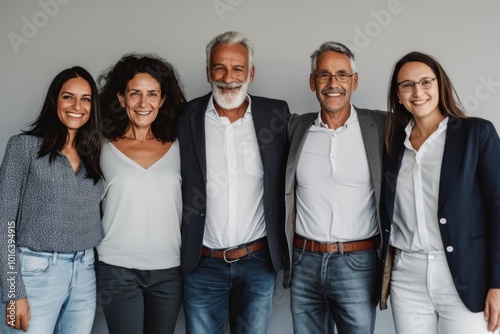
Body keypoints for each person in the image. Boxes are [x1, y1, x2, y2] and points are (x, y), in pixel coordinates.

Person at [177, 30, 290, 334]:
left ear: (251, 72)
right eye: (219, 68)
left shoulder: (276, 115)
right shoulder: (186, 117)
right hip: (202, 263)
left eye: (238, 68)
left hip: (258, 262)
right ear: (208, 72)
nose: (229, 77)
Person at [380, 51, 500, 334]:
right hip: (407, 275)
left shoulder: (476, 133)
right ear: (398, 95)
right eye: (407, 85)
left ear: (439, 85)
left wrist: (498, 284)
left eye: (425, 82)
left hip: (465, 275)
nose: (417, 91)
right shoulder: (392, 145)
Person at [283, 41, 386, 334]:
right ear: (312, 82)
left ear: (354, 81)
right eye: (324, 75)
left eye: (341, 75)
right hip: (304, 261)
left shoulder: (380, 125)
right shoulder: (295, 128)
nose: (332, 83)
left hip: (359, 263)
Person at [0, 66, 103, 333]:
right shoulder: (23, 147)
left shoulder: (95, 155)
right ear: (54, 99)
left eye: (86, 99)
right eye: (68, 97)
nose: (76, 106)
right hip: (35, 273)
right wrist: (12, 294)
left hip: (85, 273)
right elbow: (4, 223)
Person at [96, 53, 186, 334]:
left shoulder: (181, 147)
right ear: (121, 98)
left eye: (152, 94)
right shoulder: (100, 149)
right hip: (116, 269)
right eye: (135, 93)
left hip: (169, 270)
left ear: (162, 100)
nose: (143, 103)